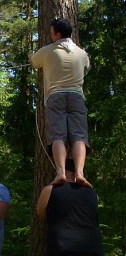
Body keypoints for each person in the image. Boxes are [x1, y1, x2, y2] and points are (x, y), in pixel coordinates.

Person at [30, 18, 91, 187]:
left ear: (57, 34)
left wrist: (32, 58)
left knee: (58, 135)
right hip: (77, 97)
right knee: (79, 135)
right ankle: (79, 173)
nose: (50, 36)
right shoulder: (82, 53)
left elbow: (33, 62)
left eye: (51, 33)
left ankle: (61, 172)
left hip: (55, 96)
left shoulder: (48, 51)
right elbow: (87, 65)